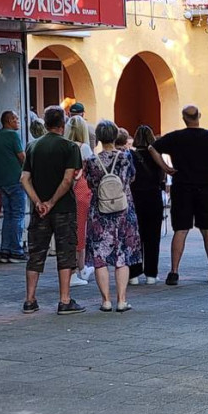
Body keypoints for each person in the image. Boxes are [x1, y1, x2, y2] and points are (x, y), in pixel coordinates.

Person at [150, 105, 208, 286]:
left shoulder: (175, 137)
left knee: (180, 229)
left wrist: (165, 167)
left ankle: (174, 272)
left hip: (182, 187)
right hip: (206, 187)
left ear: (184, 118)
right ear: (199, 116)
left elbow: (152, 148)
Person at [19, 105, 85, 315]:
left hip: (39, 211)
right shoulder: (70, 147)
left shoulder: (32, 146)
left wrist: (39, 202)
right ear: (62, 124)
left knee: (36, 253)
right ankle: (64, 300)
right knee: (65, 252)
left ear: (46, 123)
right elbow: (67, 180)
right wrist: (52, 202)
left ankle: (30, 299)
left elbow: (24, 179)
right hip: (64, 208)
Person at [83, 120, 142, 312]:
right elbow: (132, 178)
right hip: (123, 210)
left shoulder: (91, 161)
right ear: (115, 136)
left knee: (100, 257)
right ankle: (122, 300)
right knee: (122, 255)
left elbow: (90, 184)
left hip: (99, 212)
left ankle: (106, 301)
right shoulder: (125, 157)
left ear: (99, 137)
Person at [0, 110, 26, 264]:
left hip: (2, 181)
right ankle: (16, 251)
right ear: (9, 120)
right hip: (16, 180)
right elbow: (22, 157)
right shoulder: (13, 136)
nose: (18, 121)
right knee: (18, 215)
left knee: (8, 216)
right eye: (16, 119)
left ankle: (5, 250)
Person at [129, 124, 166, 285]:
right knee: (153, 237)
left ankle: (134, 274)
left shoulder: (130, 156)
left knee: (135, 237)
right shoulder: (156, 156)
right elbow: (162, 178)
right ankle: (151, 274)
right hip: (153, 197)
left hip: (135, 198)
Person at [64, 115, 95, 286]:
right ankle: (78, 269)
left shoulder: (63, 146)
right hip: (81, 190)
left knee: (69, 230)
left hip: (64, 190)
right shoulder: (84, 148)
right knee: (80, 231)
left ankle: (78, 268)